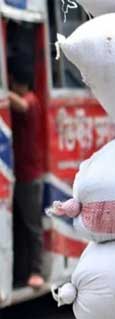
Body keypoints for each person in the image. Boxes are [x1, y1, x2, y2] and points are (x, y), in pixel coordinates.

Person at [8, 63, 45, 289]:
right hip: (18, 174)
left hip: (29, 176)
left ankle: (37, 271)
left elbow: (20, 105)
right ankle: (21, 272)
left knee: (32, 227)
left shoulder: (31, 101)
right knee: (20, 228)